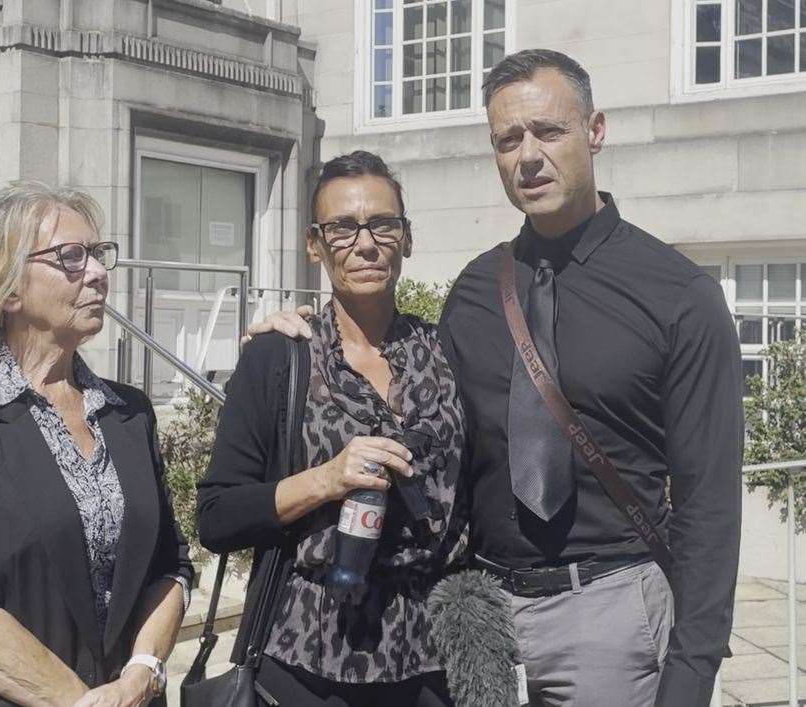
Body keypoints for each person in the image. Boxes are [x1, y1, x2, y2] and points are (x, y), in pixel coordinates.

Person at [249, 50, 744, 707]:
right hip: (478, 620)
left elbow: (710, 505)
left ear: (593, 130)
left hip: (609, 616)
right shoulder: (478, 289)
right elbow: (405, 397)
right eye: (507, 139)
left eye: (548, 131)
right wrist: (304, 334)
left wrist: (690, 673)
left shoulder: (678, 296)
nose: (527, 156)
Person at [0, 183, 193, 707]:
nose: (99, 273)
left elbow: (169, 565)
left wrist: (142, 671)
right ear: (8, 290)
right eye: (71, 257)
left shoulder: (130, 413)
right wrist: (83, 702)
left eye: (99, 255)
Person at [197, 151, 469, 706]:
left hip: (435, 653)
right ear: (314, 245)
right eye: (342, 228)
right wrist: (328, 478)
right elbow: (218, 516)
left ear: (407, 238)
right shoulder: (280, 358)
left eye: (383, 225)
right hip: (307, 657)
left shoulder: (449, 352)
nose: (365, 244)